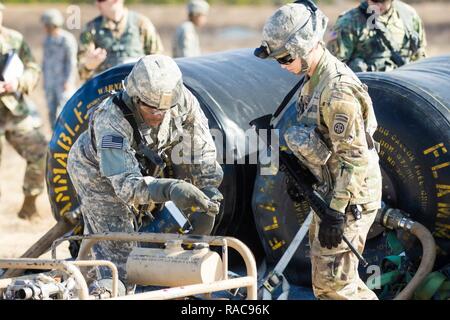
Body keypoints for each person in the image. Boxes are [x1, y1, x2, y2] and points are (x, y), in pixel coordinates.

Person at [254, 2, 382, 299]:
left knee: (334, 287)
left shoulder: (336, 90)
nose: (282, 65)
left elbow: (355, 158)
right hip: (330, 191)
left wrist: (336, 212)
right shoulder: (313, 79)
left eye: (285, 57)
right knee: (332, 284)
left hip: (349, 198)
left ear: (305, 46)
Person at [67, 54, 224, 297]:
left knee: (128, 241)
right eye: (151, 108)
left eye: (165, 108)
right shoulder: (112, 119)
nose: (159, 114)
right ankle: (106, 289)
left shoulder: (182, 101)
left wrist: (209, 189)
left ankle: (82, 282)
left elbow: (201, 151)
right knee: (121, 257)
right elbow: (127, 187)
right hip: (96, 171)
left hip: (143, 164)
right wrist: (170, 188)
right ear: (134, 97)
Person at [0, 3, 47, 219]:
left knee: (41, 151)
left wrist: (18, 82)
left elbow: (32, 68)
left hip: (14, 111)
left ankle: (29, 206)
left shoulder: (14, 39)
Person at [327, 0, 426, 72]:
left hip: (404, 87)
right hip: (367, 89)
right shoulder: (349, 22)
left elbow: (420, 55)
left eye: (382, 1)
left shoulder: (408, 15)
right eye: (374, 0)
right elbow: (334, 66)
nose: (377, 5)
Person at [78, 0, 164, 81]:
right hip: (104, 91)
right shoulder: (91, 29)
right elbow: (81, 73)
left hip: (139, 88)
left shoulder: (141, 23)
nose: (97, 3)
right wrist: (89, 65)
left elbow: (159, 61)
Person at [41, 9, 78, 129]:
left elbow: (72, 62)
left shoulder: (67, 40)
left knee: (64, 113)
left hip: (63, 83)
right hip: (50, 83)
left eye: (46, 25)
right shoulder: (47, 40)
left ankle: (66, 140)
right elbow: (45, 62)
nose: (44, 28)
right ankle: (54, 140)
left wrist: (69, 81)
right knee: (51, 112)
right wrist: (45, 81)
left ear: (51, 25)